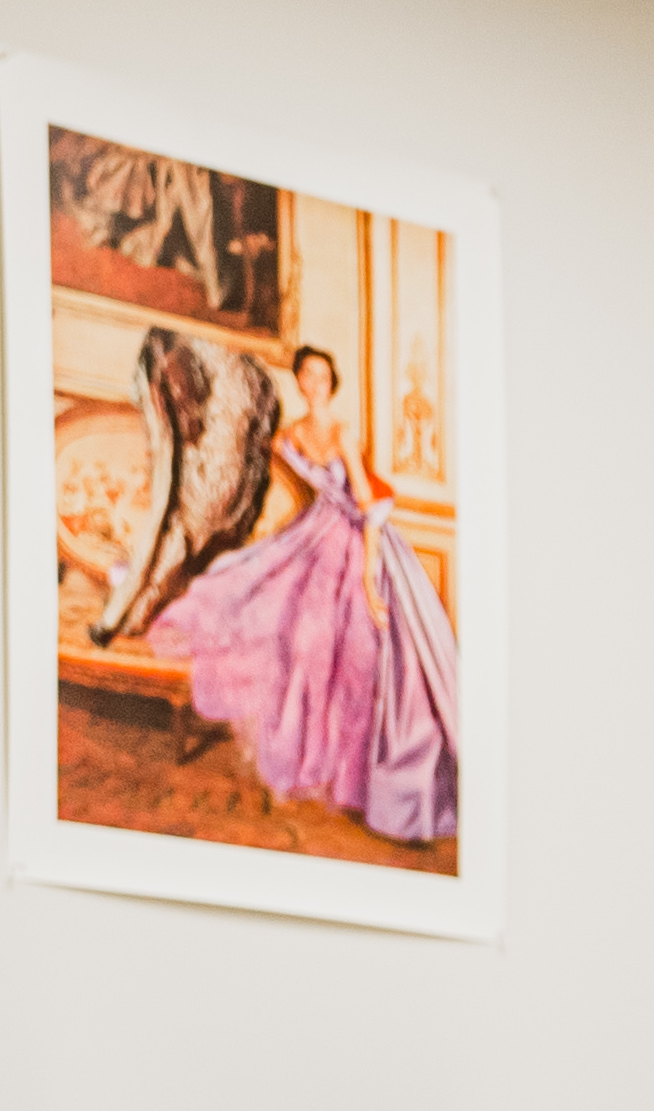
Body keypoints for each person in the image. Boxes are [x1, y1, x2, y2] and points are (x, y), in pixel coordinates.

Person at [150, 340, 461, 849]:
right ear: (299, 382)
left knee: (364, 646)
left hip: (365, 540)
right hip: (316, 532)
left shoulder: (341, 430)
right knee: (295, 629)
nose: (314, 383)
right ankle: (320, 755)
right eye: (307, 376)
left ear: (332, 383)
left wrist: (368, 574)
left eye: (322, 375)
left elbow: (367, 502)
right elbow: (265, 469)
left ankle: (383, 782)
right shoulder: (290, 436)